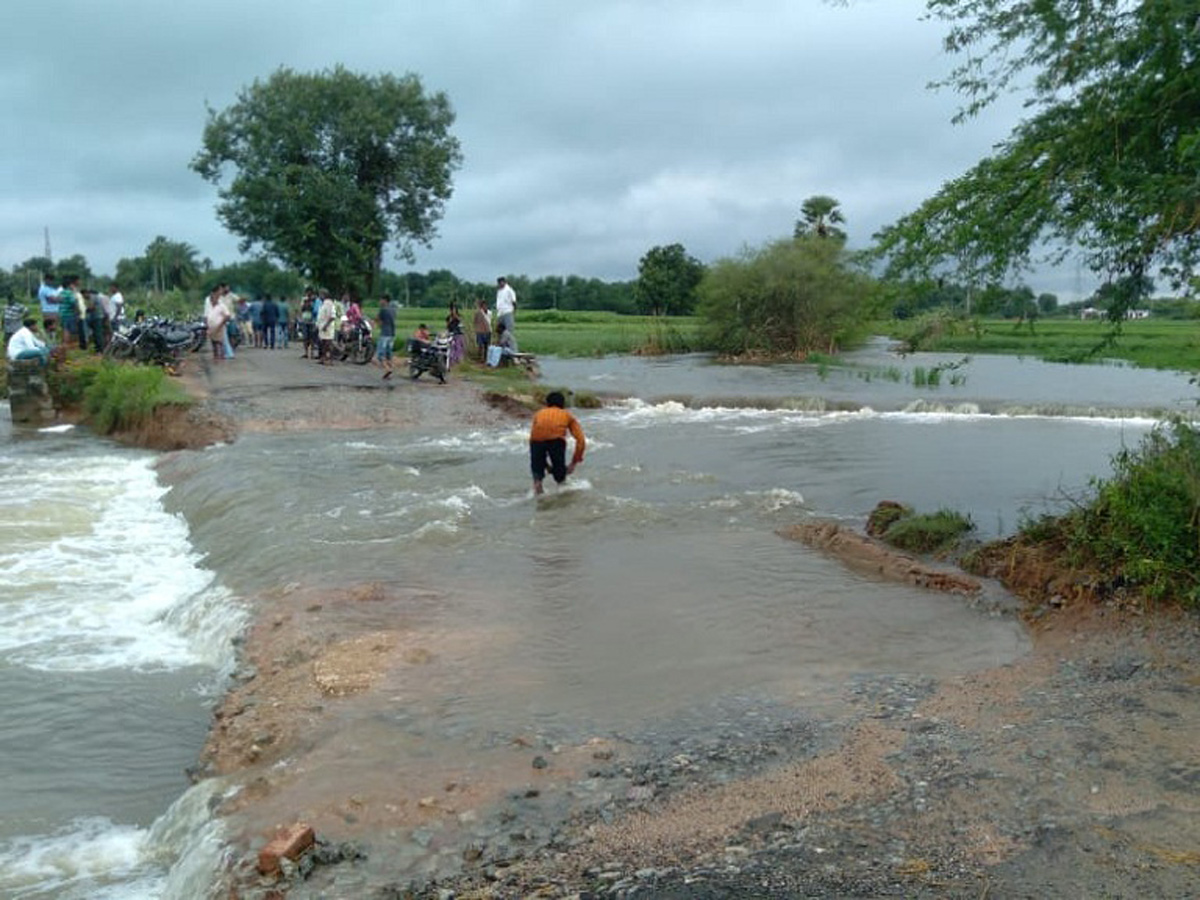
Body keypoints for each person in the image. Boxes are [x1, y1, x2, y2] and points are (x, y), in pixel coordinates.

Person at [528, 391, 585, 495]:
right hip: (556, 441)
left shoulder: (539, 414)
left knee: (537, 476)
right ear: (563, 404)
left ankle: (538, 488)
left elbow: (535, 439)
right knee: (560, 477)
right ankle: (561, 496)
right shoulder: (567, 415)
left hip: (536, 442)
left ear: (547, 404)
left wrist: (546, 465)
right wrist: (573, 463)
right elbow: (581, 440)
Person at [205, 289, 230, 360]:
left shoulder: (221, 306)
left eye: (214, 298)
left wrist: (221, 323)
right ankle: (216, 356)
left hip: (219, 326)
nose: (212, 300)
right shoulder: (209, 306)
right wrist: (206, 325)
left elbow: (227, 316)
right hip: (211, 327)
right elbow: (206, 316)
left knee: (219, 342)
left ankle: (222, 356)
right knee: (213, 342)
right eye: (211, 298)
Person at [376, 293, 396, 379]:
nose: (380, 302)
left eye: (381, 300)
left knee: (380, 354)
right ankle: (390, 368)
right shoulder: (393, 310)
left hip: (384, 334)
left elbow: (378, 320)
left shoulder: (383, 309)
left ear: (384, 300)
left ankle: (387, 369)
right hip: (391, 334)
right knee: (389, 354)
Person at [316, 290, 337, 364]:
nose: (319, 297)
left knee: (328, 344)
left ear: (324, 295)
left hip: (327, 327)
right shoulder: (323, 304)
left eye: (320, 295)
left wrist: (326, 325)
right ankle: (323, 358)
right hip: (322, 326)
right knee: (323, 344)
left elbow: (332, 317)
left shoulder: (329, 304)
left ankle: (330, 359)